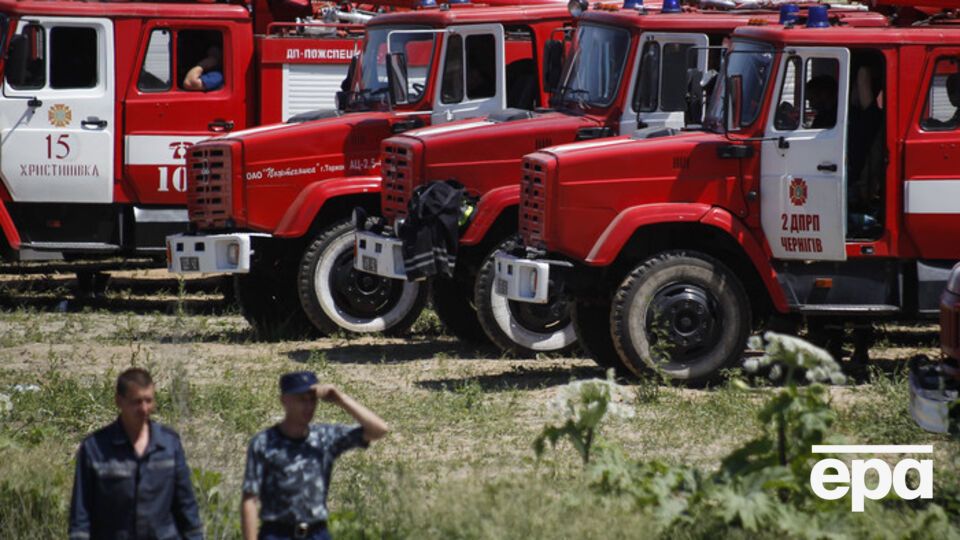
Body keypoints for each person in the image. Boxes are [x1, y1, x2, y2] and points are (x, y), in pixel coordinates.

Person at [241, 372, 389, 540]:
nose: (309, 406)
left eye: (312, 399)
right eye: (301, 400)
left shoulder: (324, 438)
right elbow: (250, 499)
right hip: (277, 533)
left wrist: (340, 399)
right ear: (284, 400)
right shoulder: (264, 443)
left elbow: (379, 429)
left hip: (316, 533)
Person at [69, 368, 203, 540]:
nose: (144, 409)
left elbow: (186, 506)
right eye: (136, 402)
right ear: (119, 401)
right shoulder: (95, 448)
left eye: (148, 401)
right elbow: (81, 513)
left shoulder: (169, 445)